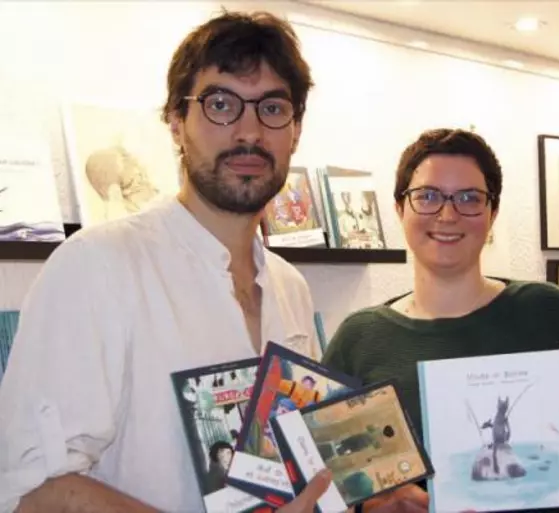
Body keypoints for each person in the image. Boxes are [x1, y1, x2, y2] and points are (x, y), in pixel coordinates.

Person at [0, 10, 334, 513]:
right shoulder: (95, 267)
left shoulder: (291, 287)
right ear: (177, 124)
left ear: (296, 130)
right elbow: (32, 491)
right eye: (221, 104)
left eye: (272, 107)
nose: (249, 131)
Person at [322, 128, 559, 512]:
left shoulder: (548, 312)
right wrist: (372, 505)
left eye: (470, 198)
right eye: (427, 196)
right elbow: (322, 484)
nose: (447, 214)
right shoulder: (359, 339)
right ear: (399, 208)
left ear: (492, 213)